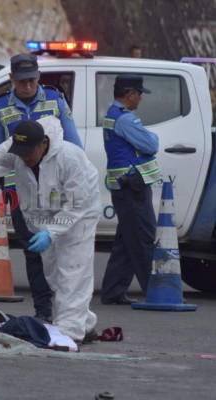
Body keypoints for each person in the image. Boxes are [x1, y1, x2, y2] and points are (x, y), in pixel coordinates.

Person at [0, 117, 101, 343]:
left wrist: (52, 232)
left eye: (29, 152)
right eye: (20, 153)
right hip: (44, 218)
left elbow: (77, 204)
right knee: (55, 274)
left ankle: (70, 333)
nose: (24, 158)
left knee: (73, 271)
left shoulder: (69, 157)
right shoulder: (18, 149)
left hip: (79, 215)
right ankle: (83, 323)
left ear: (43, 144)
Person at [0, 53, 82, 322]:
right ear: (11, 79)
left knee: (63, 250)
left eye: (33, 80)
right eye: (22, 81)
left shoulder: (55, 100)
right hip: (18, 190)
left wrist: (77, 179)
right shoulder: (1, 106)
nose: (28, 86)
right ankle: (44, 312)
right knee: (34, 250)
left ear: (39, 77)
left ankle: (67, 311)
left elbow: (73, 143)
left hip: (55, 188)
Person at [100, 75, 160, 305]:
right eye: (140, 93)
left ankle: (113, 291)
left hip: (125, 188)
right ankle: (155, 293)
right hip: (133, 188)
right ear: (130, 94)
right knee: (145, 239)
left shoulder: (112, 115)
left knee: (125, 242)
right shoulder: (125, 120)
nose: (141, 98)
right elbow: (152, 144)